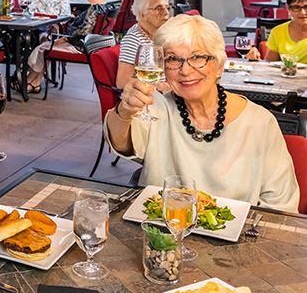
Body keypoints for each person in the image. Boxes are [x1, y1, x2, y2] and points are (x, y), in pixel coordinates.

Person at [106, 14, 299, 212]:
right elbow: (121, 143)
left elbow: (281, 203)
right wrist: (124, 110)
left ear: (219, 65)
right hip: (163, 233)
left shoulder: (260, 122)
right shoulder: (156, 108)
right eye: (173, 59)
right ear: (163, 67)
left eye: (197, 57)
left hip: (236, 237)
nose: (185, 71)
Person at [23, 0, 111, 94]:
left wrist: (65, 38)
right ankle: (35, 83)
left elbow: (85, 32)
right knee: (46, 46)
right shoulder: (106, 8)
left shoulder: (93, 9)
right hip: (88, 46)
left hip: (78, 46)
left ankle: (26, 81)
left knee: (42, 48)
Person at [116, 0, 171, 89]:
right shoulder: (133, 39)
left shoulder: (160, 34)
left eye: (167, 7)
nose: (166, 12)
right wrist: (160, 87)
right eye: (159, 8)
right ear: (142, 14)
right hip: (145, 98)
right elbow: (122, 82)